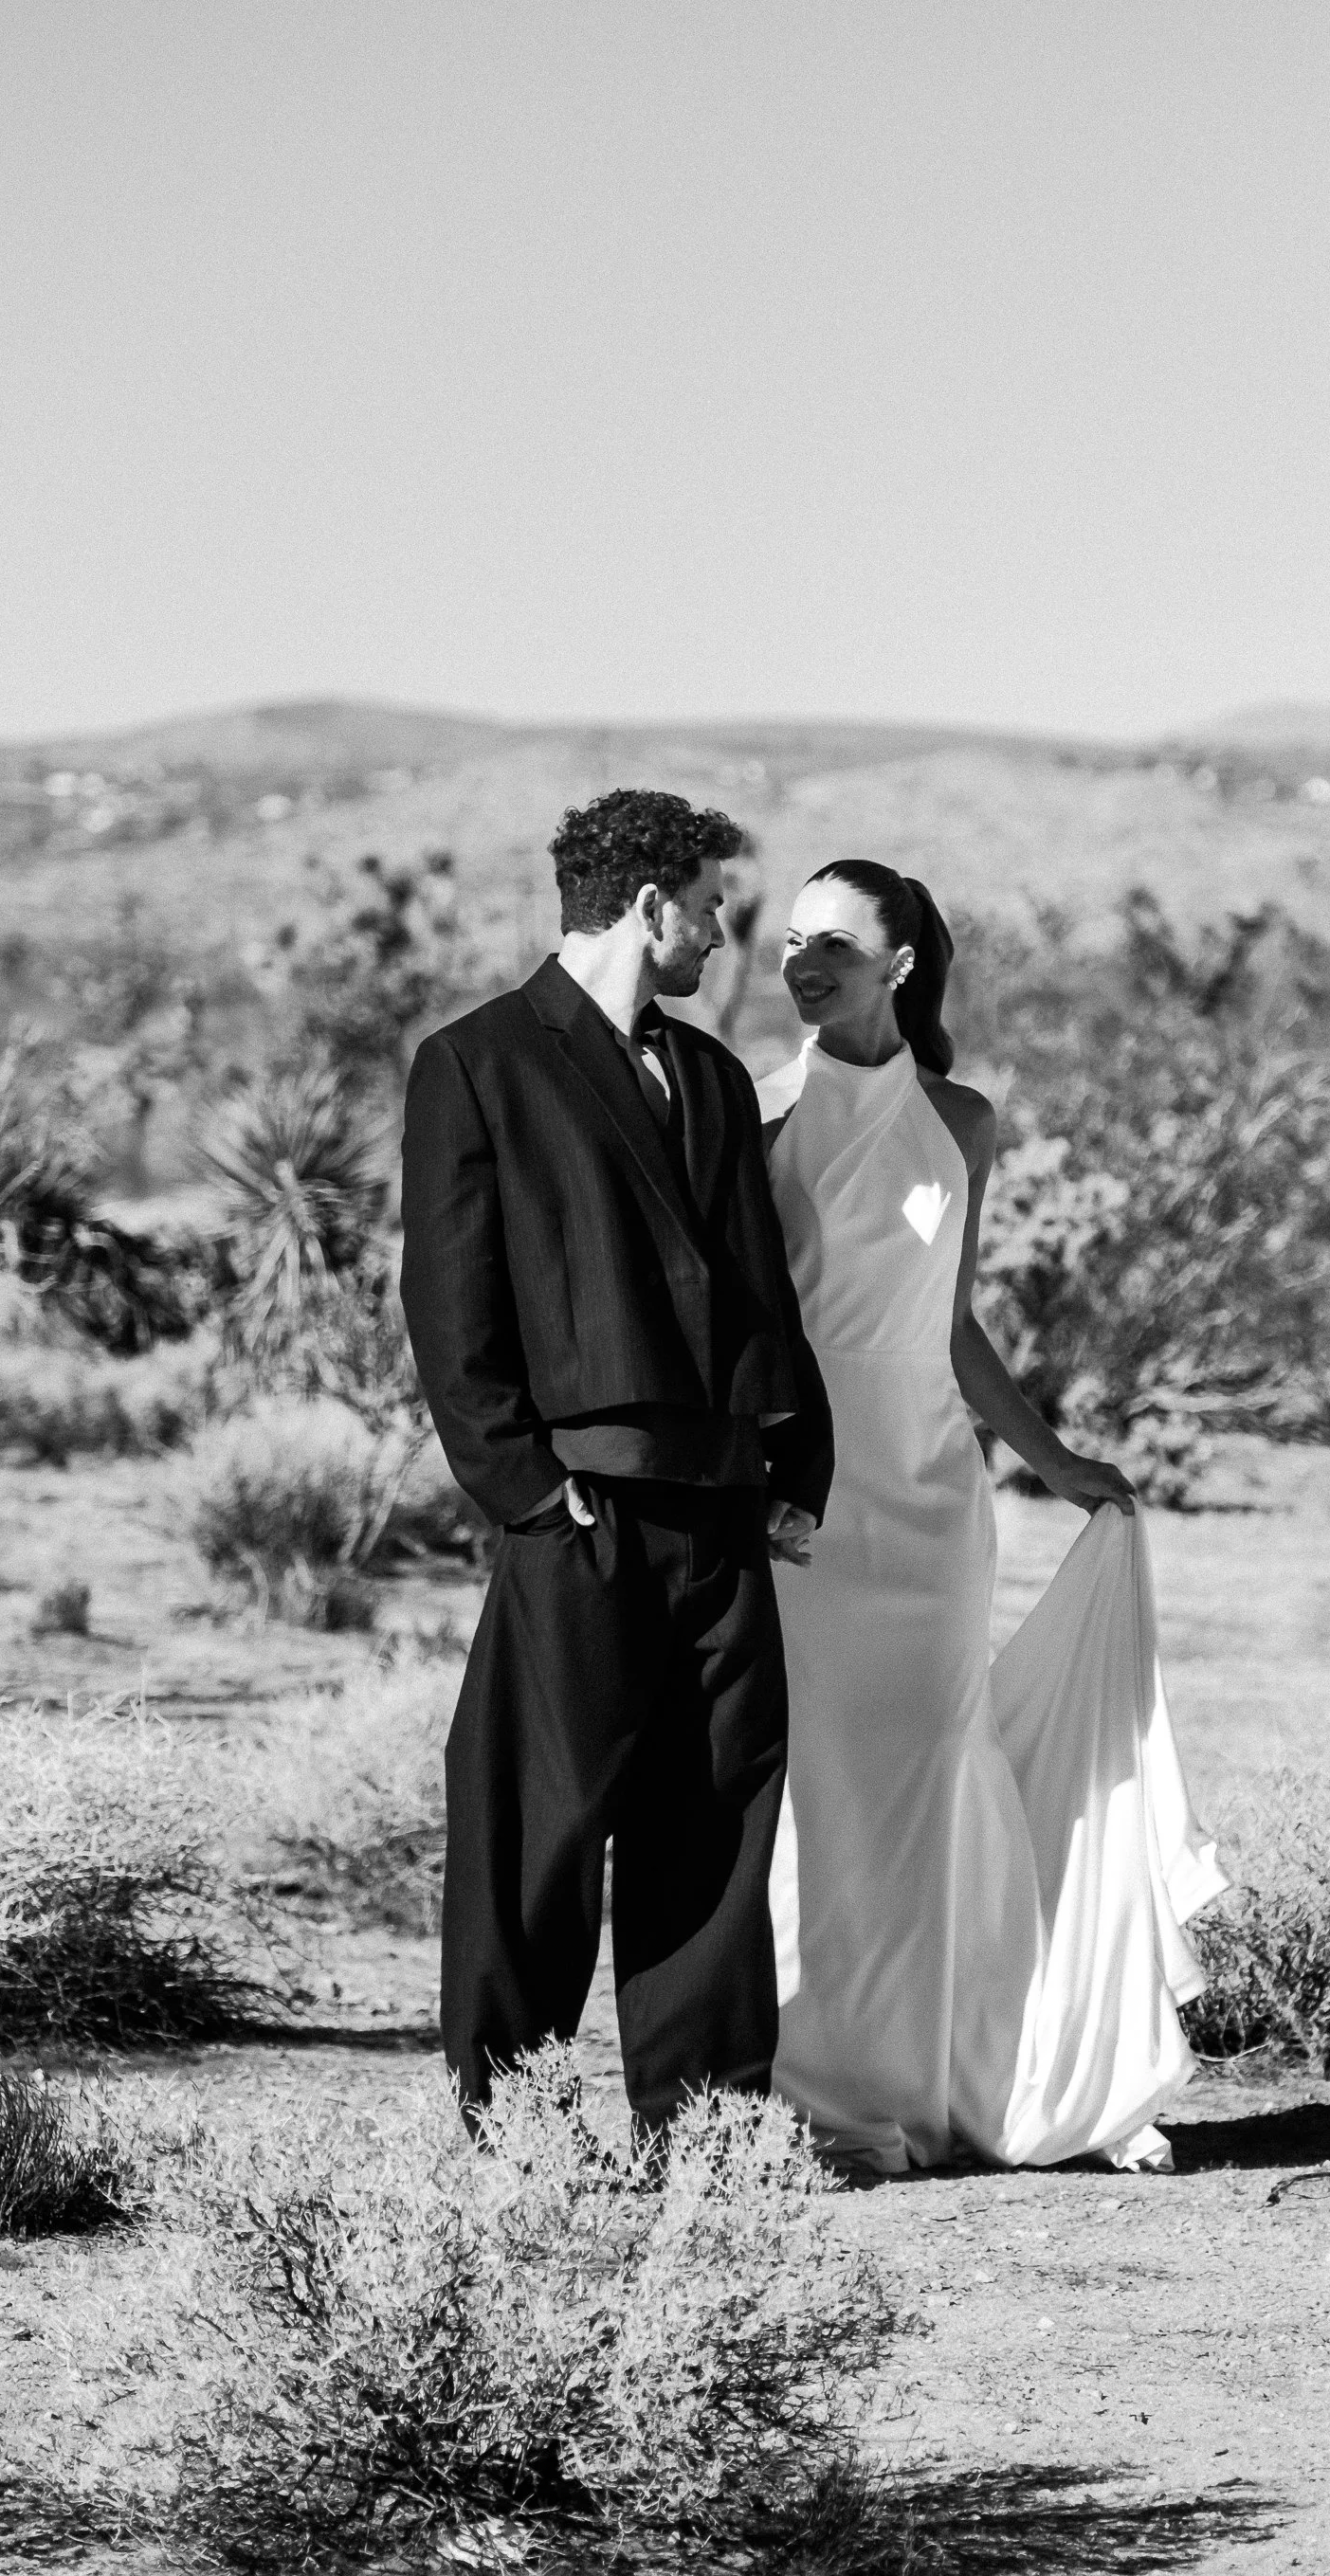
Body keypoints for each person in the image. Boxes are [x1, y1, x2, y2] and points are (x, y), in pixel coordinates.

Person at [757, 860, 1224, 2173]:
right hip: (805, 1490)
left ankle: (970, 2071)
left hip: (932, 1493)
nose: (805, 963)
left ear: (901, 962)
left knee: (935, 1776)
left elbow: (951, 1327)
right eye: (793, 941)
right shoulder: (757, 1108)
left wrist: (1058, 1461)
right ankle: (828, 2090)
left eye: (835, 945)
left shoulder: (963, 1121)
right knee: (824, 1789)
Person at [399, 790, 832, 2130]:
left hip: (718, 1507)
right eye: (706, 906)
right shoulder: (476, 1063)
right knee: (535, 1832)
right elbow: (451, 1304)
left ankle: (705, 2134)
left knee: (715, 1827)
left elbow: (758, 1289)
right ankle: (509, 2128)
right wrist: (527, 1486)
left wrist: (795, 1464)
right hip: (577, 1511)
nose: (717, 930)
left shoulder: (706, 1073)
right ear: (650, 908)